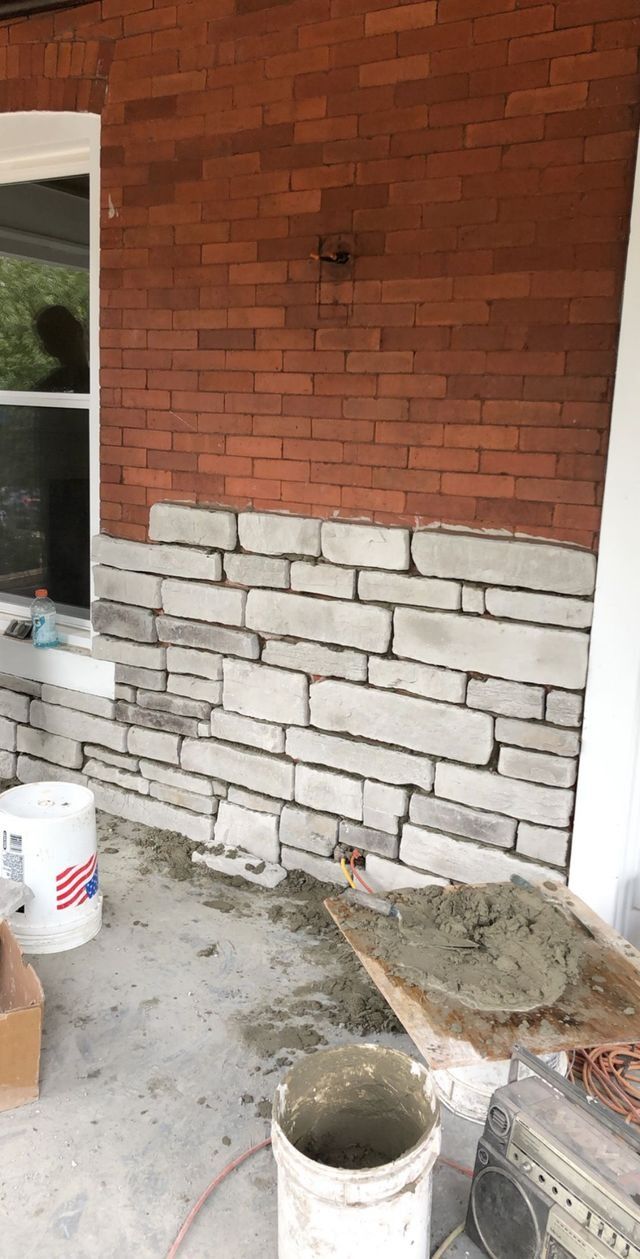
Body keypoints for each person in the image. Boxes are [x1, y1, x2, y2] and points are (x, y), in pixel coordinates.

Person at [34, 304, 89, 393]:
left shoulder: (47, 389)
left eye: (68, 334)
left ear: (47, 349)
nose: (66, 342)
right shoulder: (99, 377)